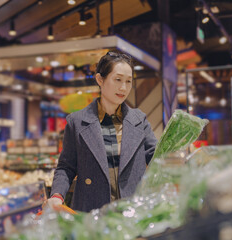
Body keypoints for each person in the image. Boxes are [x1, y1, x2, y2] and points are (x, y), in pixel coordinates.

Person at [43, 51, 157, 212]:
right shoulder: (76, 121)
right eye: (117, 80)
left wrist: (179, 164)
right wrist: (56, 195)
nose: (123, 88)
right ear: (100, 79)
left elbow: (157, 157)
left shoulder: (139, 120)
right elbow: (66, 167)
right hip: (91, 213)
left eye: (128, 81)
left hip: (133, 211)